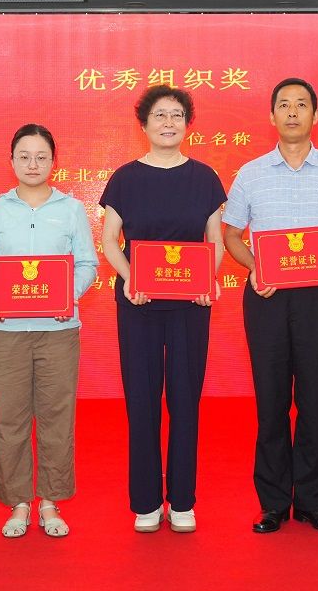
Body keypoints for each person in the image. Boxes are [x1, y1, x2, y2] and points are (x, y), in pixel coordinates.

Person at [223, 78, 318, 534]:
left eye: (301, 105)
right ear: (271, 116)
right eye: (283, 105)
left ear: (315, 115)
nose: (292, 112)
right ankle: (272, 504)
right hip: (267, 297)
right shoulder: (250, 173)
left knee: (314, 401)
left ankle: (312, 502)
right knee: (270, 403)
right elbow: (232, 234)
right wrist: (255, 267)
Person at [99, 85, 226, 533]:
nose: (168, 123)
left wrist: (208, 280)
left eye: (176, 115)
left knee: (186, 400)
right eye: (159, 115)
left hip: (191, 304)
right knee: (142, 400)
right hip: (139, 303)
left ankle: (183, 501)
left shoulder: (205, 178)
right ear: (144, 124)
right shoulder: (125, 178)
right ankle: (147, 502)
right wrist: (130, 277)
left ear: (187, 124)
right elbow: (109, 240)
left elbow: (215, 241)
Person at [0, 124, 98, 538]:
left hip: (58, 331)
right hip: (5, 331)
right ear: (11, 161)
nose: (32, 164)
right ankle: (19, 503)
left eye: (41, 157)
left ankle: (51, 502)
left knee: (57, 417)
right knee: (9, 418)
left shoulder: (71, 209)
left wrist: (67, 297)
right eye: (24, 156)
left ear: (53, 162)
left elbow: (87, 263)